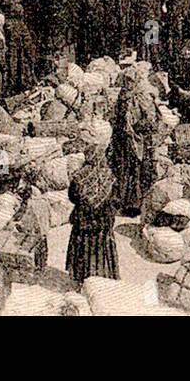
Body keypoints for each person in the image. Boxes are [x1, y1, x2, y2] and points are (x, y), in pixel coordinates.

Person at [66, 120, 119, 283]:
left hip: (83, 225)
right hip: (103, 226)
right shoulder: (110, 174)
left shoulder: (81, 176)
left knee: (83, 249)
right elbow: (116, 200)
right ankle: (103, 276)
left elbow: (72, 196)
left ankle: (81, 278)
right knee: (102, 248)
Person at [110, 76, 157, 216]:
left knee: (136, 172)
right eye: (126, 82)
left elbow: (150, 120)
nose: (128, 85)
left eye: (130, 82)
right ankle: (125, 202)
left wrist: (136, 128)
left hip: (137, 141)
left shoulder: (142, 98)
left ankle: (134, 204)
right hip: (124, 140)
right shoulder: (122, 98)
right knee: (125, 171)